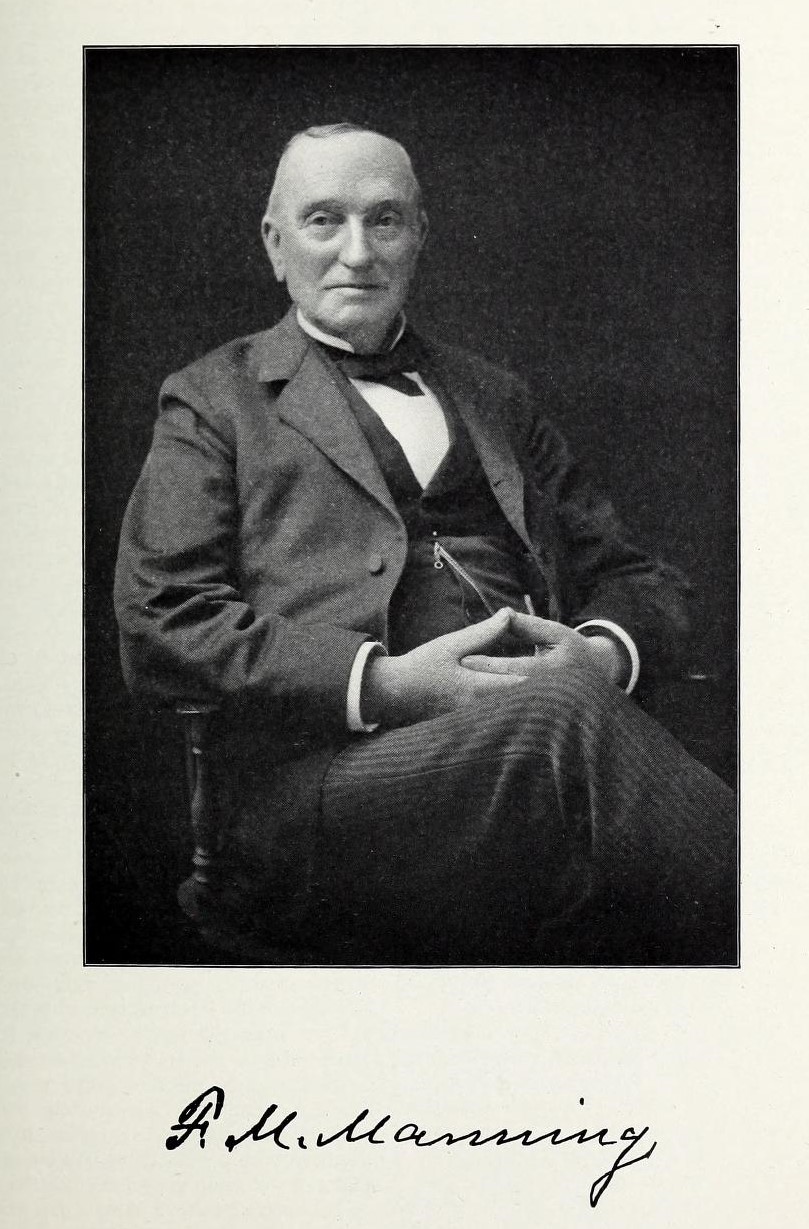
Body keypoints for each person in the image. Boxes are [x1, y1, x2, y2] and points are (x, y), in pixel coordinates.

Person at [114, 123, 736, 964]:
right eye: (323, 220)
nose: (357, 253)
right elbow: (162, 621)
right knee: (565, 723)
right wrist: (388, 683)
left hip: (538, 753)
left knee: (593, 732)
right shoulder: (212, 401)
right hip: (322, 789)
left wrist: (597, 653)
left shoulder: (494, 395)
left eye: (385, 220)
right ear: (274, 243)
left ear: (419, 237)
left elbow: (636, 576)